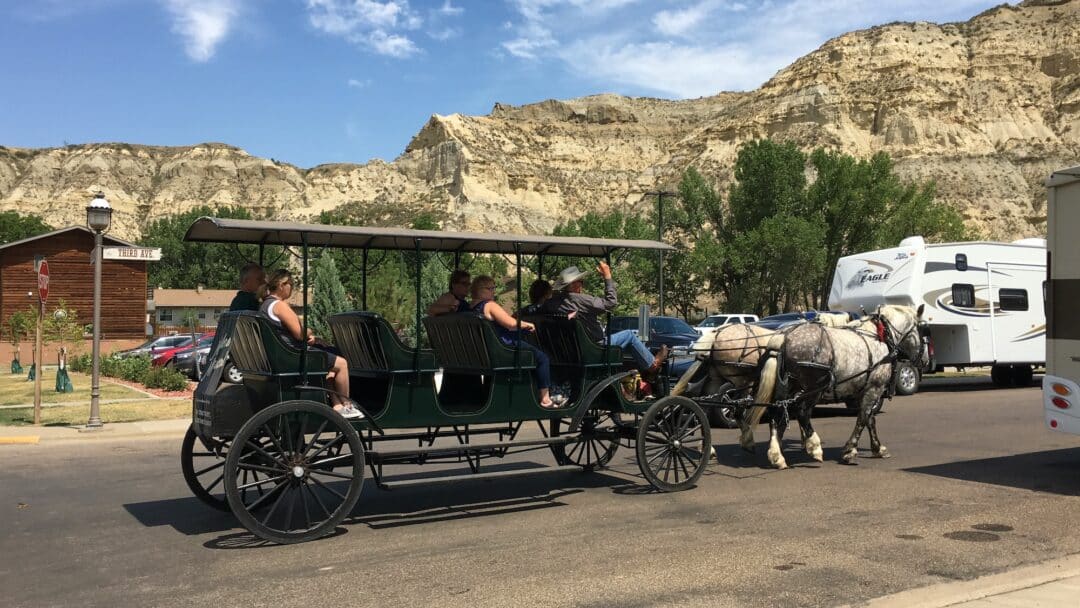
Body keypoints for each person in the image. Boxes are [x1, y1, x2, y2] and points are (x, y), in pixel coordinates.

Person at [259, 269, 362, 419]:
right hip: (292, 356)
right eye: (291, 284)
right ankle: (347, 405)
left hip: (282, 354)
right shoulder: (279, 305)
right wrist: (309, 332)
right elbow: (299, 333)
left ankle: (336, 404)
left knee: (330, 367)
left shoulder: (265, 305)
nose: (292, 287)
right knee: (342, 364)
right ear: (281, 285)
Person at [541, 262, 668, 376]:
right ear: (575, 284)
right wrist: (607, 276)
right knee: (629, 335)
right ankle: (652, 365)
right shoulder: (580, 300)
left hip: (568, 350)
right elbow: (611, 303)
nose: (582, 285)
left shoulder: (552, 303)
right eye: (581, 282)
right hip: (594, 348)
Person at [470, 276, 563, 408]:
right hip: (504, 346)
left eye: (493, 288)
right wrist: (527, 324)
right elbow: (511, 324)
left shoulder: (471, 306)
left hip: (486, 349)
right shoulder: (490, 305)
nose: (493, 291)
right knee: (543, 358)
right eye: (490, 288)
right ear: (480, 290)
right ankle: (545, 398)